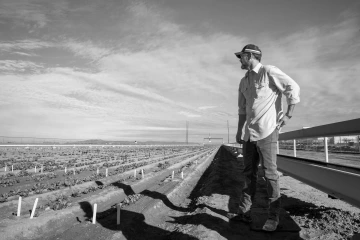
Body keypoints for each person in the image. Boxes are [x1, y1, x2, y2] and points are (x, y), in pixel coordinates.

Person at [228, 44, 300, 231]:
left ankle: (273, 217)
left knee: (270, 174)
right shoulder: (243, 81)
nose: (239, 60)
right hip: (249, 135)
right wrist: (239, 131)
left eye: (241, 56)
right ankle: (244, 213)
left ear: (251, 55)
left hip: (267, 132)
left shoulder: (268, 72)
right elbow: (242, 110)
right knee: (248, 174)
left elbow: (293, 87)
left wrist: (289, 114)